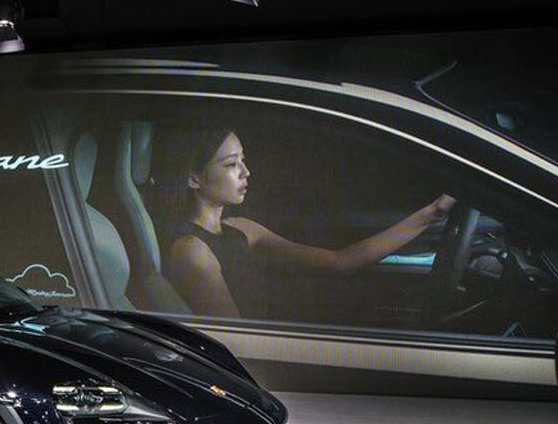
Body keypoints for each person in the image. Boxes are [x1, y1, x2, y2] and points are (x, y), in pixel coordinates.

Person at [152, 128, 455, 319]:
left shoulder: (243, 228)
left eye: (243, 160)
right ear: (194, 179)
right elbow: (236, 343)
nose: (246, 172)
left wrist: (431, 214)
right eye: (231, 164)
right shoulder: (192, 251)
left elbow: (340, 261)